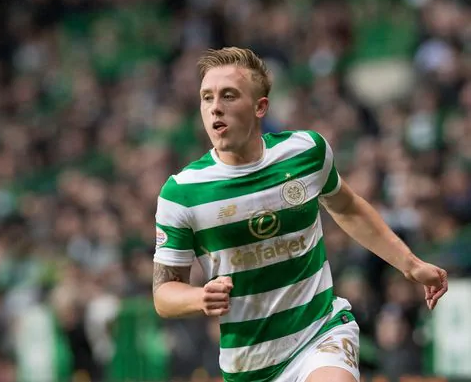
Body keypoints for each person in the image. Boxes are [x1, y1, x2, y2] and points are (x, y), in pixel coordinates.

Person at [151, 47, 448, 382]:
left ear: (260, 107)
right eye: (207, 97)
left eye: (229, 95)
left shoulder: (305, 153)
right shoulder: (182, 193)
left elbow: (348, 207)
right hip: (250, 365)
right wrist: (199, 297)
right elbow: (164, 294)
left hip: (320, 332)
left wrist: (410, 263)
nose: (215, 107)